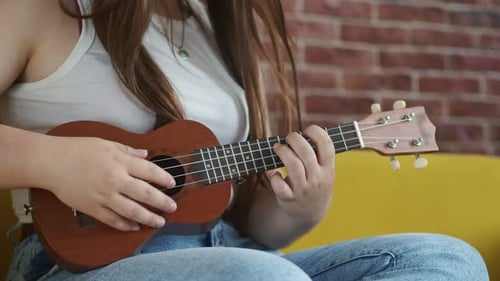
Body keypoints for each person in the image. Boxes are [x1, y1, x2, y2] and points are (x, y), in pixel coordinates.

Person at [0, 0, 489, 280]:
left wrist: (298, 210)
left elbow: (232, 212)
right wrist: (53, 161)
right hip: (74, 264)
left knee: (446, 260)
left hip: (235, 253)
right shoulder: (41, 8)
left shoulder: (215, 26)